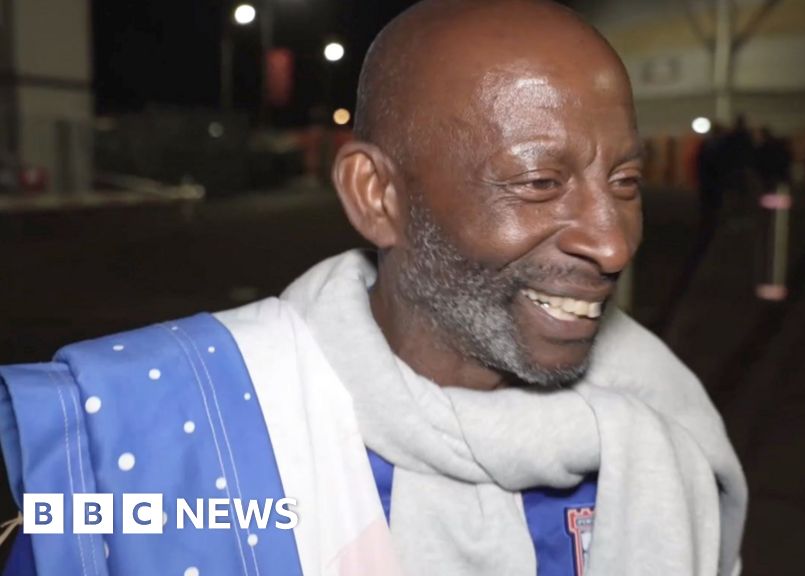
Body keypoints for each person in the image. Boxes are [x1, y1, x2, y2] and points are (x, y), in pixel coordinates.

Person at [0, 1, 747, 575]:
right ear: (377, 196)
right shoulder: (141, 443)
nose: (614, 242)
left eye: (625, 181)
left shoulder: (673, 432)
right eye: (539, 182)